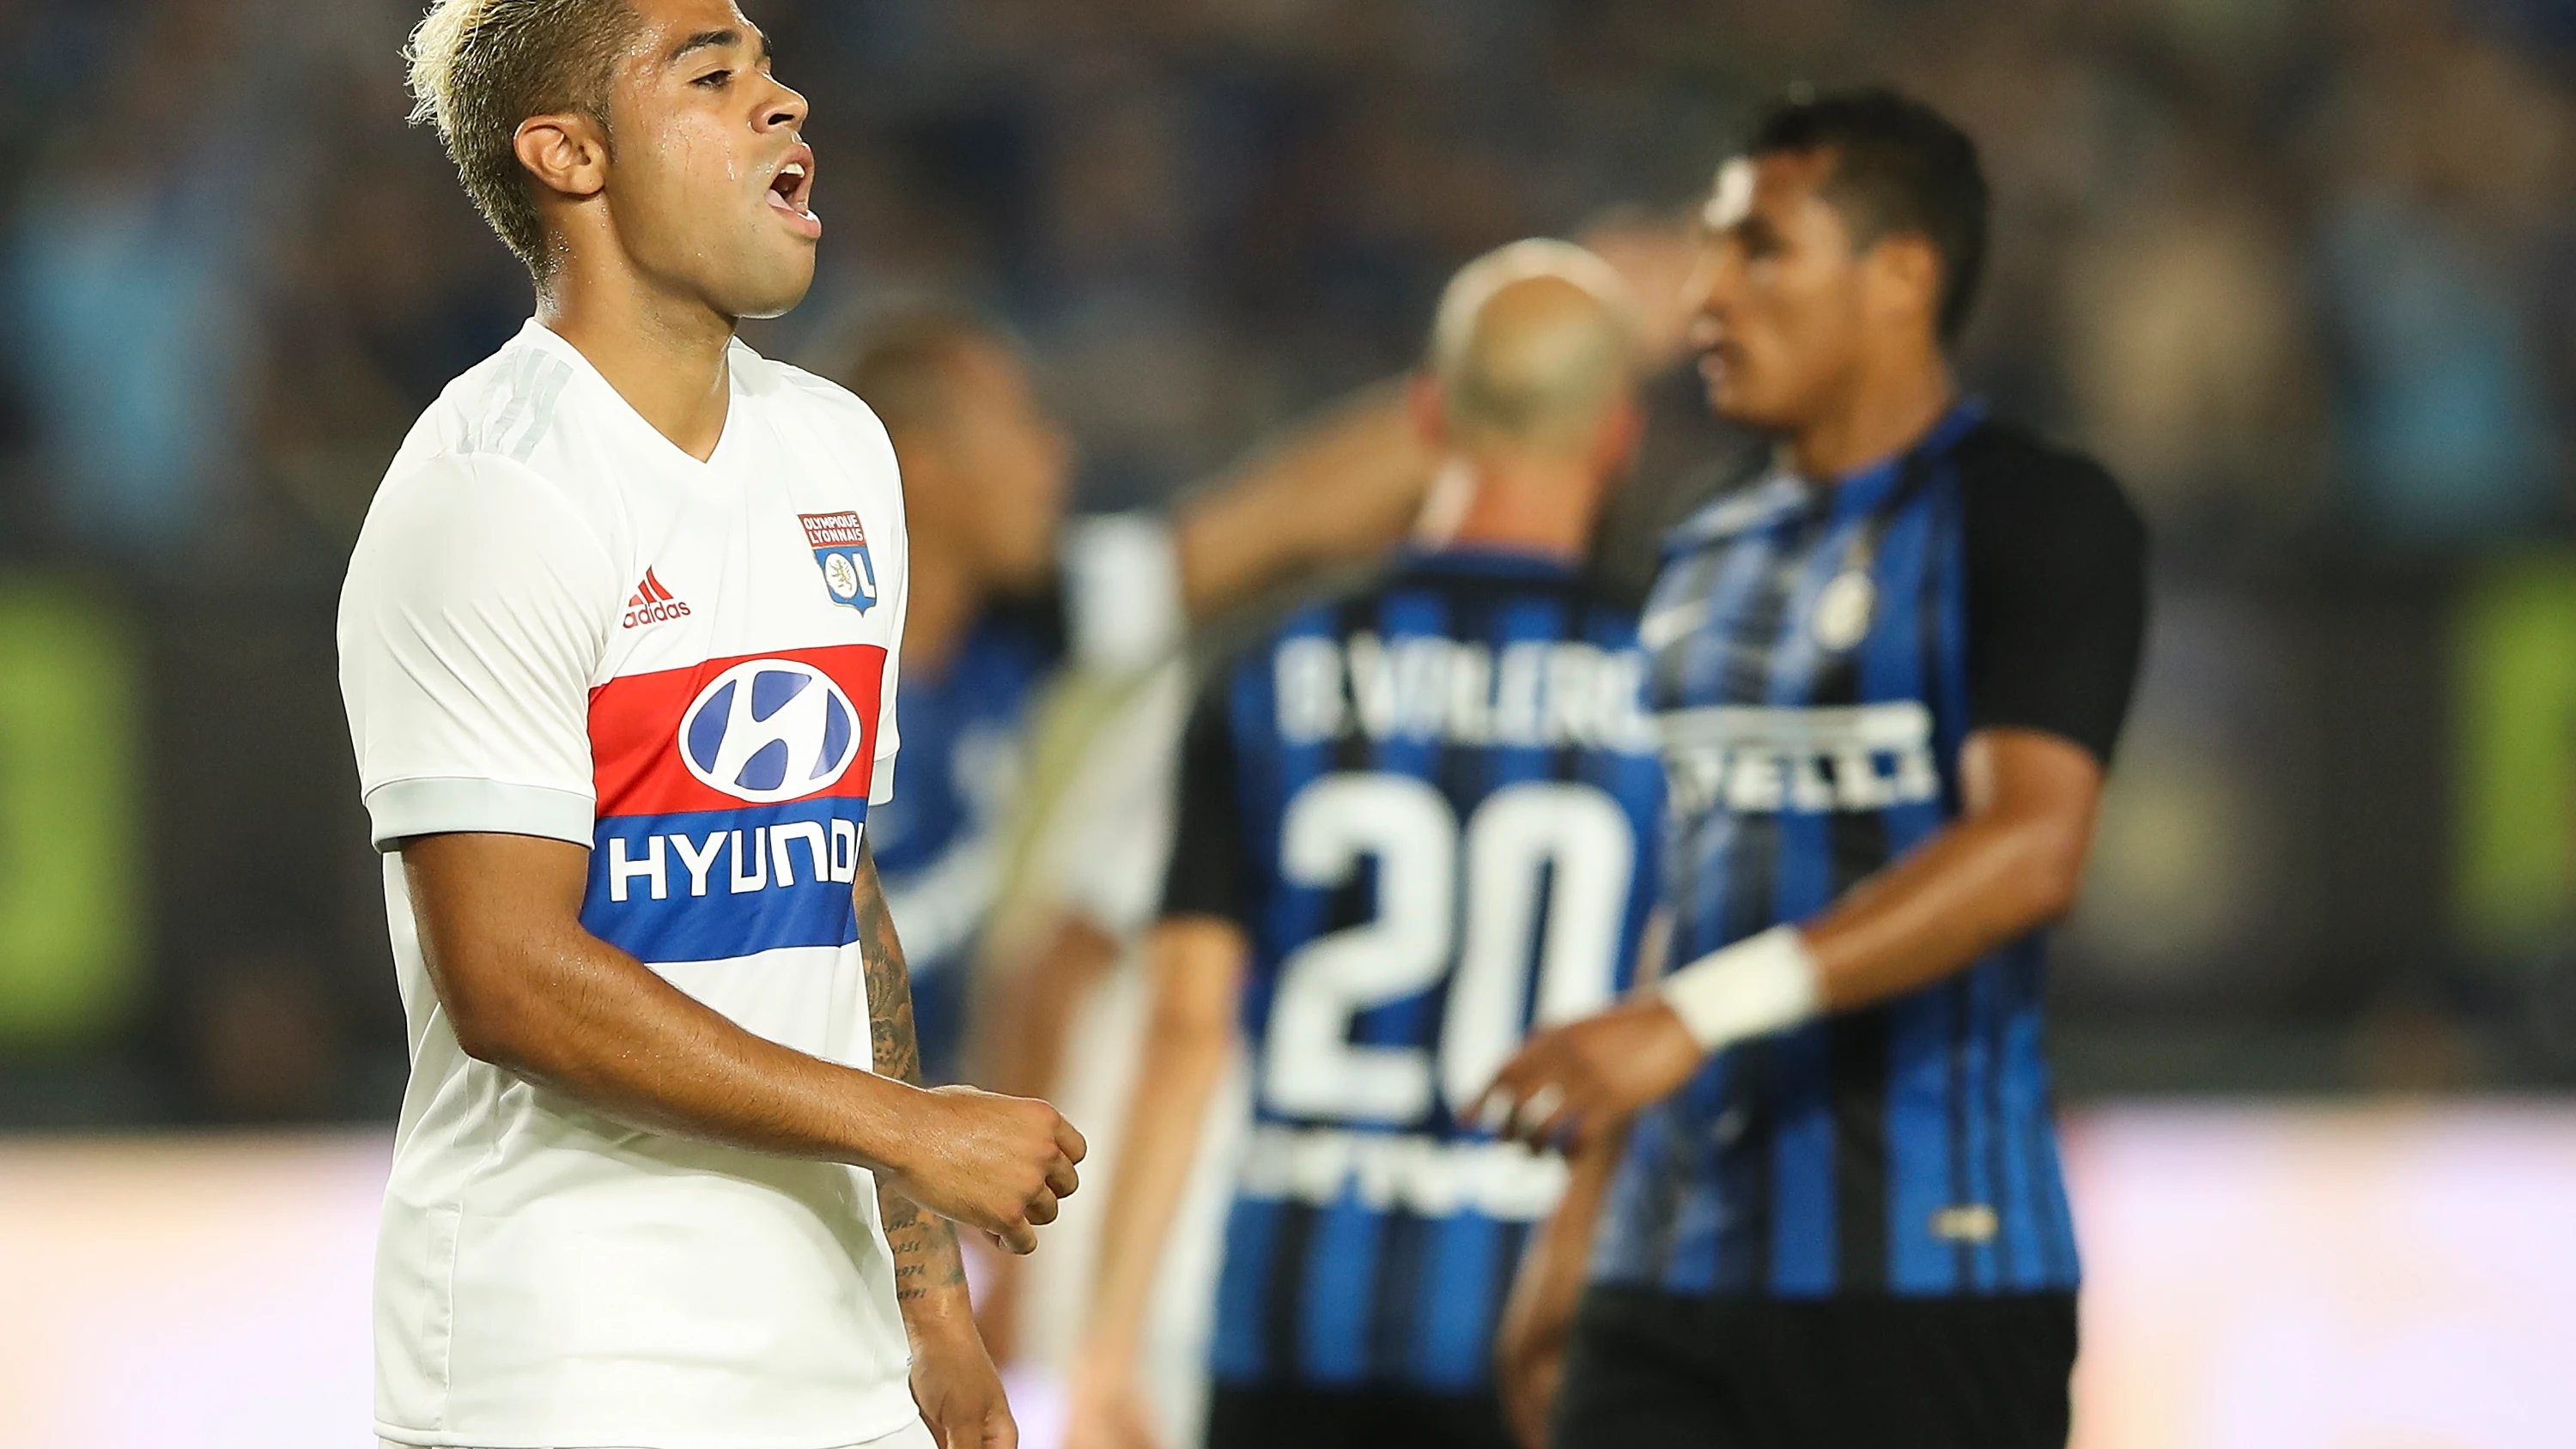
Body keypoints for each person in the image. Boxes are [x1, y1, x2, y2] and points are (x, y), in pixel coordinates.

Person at [337, 4, 1083, 1447]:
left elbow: (836, 890)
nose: (784, 98)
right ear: (567, 153)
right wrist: (909, 1127)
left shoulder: (838, 452)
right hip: (570, 1363)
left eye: (770, 63)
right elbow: (508, 975)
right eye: (712, 72)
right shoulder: (495, 491)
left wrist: (930, 1306)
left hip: (835, 1353)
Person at [1479, 90, 2149, 1449]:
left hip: (1935, 1274)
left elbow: (2031, 851)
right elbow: (1693, 887)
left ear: (1902, 276)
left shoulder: (2034, 515)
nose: (1707, 297)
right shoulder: (1698, 546)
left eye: (1757, 248)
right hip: (1668, 1274)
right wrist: (1575, 1239)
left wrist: (1693, 1016)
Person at [1062, 239, 1669, 1449]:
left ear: (1429, 413)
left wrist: (1108, 1344)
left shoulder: (1269, 673)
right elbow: (1670, 1027)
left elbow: (1185, 1029)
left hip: (1292, 1323)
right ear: (1616, 435)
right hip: (1548, 1333)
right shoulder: (1678, 692)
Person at [815, 313, 1433, 1089]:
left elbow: (1270, 523)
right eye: (1020, 424)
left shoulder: (1029, 630)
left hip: (924, 1151)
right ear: (919, 461)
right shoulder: (782, 688)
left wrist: (1492, 396)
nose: (1055, 455)